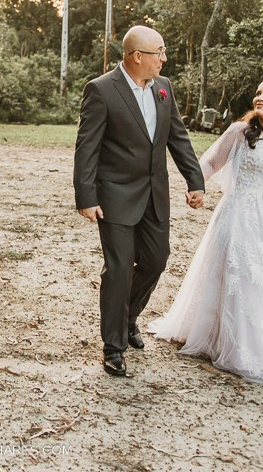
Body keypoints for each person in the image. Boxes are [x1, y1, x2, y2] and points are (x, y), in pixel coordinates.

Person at [147, 76, 263, 385]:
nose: (260, 98)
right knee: (246, 276)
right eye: (258, 93)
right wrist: (196, 188)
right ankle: (242, 345)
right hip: (242, 215)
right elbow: (210, 163)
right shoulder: (240, 132)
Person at [74, 25, 205, 378]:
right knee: (118, 268)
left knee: (156, 260)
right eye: (159, 52)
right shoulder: (102, 90)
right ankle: (113, 346)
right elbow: (87, 148)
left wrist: (195, 180)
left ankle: (128, 316)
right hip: (115, 196)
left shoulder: (164, 87)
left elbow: (177, 136)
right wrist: (86, 196)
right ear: (137, 56)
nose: (164, 59)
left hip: (154, 194)